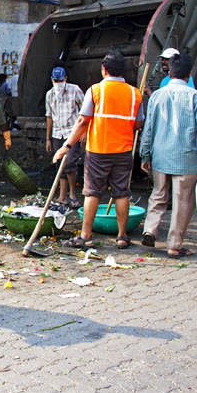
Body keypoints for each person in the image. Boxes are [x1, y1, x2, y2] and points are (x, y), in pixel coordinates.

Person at [54, 52, 144, 250]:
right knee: (121, 193)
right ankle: (122, 236)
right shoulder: (135, 93)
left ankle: (85, 236)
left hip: (98, 150)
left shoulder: (95, 90)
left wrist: (66, 146)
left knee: (92, 192)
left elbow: (83, 120)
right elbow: (138, 124)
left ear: (104, 70)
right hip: (123, 150)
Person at [139, 54, 197, 258]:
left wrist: (144, 154)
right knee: (182, 201)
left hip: (160, 156)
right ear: (189, 74)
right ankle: (174, 245)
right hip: (185, 157)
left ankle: (150, 230)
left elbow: (148, 129)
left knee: (158, 194)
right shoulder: (195, 96)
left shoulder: (157, 96)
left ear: (170, 72)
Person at [45, 66, 85, 208]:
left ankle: (73, 194)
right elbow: (49, 116)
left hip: (72, 133)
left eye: (60, 80)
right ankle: (62, 197)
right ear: (52, 80)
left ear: (65, 79)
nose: (58, 83)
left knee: (70, 163)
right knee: (59, 164)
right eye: (55, 81)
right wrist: (48, 138)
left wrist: (84, 132)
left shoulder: (75, 90)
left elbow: (85, 111)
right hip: (57, 133)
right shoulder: (49, 94)